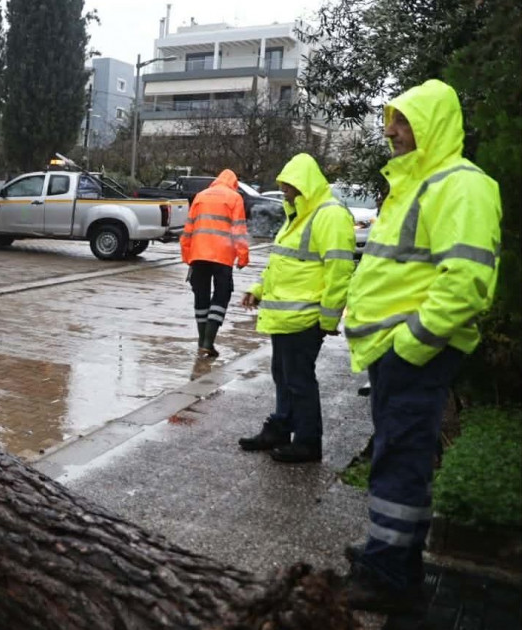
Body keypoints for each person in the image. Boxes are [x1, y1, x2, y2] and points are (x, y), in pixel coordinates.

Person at [342, 79, 502, 619]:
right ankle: (390, 556)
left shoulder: (460, 185)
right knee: (397, 454)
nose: (391, 130)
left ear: (432, 125)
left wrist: (409, 345)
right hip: (397, 349)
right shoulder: (417, 183)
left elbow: (467, 282)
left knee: (402, 458)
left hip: (413, 349)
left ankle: (389, 575)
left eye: (405, 120)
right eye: (391, 119)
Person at [239, 153, 355, 463]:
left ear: (305, 185)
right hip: (287, 317)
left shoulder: (328, 215)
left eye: (289, 187)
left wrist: (328, 319)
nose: (285, 192)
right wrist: (258, 290)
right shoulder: (298, 217)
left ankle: (307, 441)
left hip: (305, 317)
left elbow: (339, 270)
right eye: (282, 186)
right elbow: (284, 265)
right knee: (284, 375)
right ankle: (282, 427)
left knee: (299, 379)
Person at [181, 169, 249, 357]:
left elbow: (188, 229)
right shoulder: (234, 198)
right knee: (221, 296)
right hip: (222, 257)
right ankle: (208, 342)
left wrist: (187, 255)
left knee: (201, 297)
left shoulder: (200, 196)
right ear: (233, 184)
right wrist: (243, 256)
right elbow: (239, 230)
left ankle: (202, 341)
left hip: (198, 256)